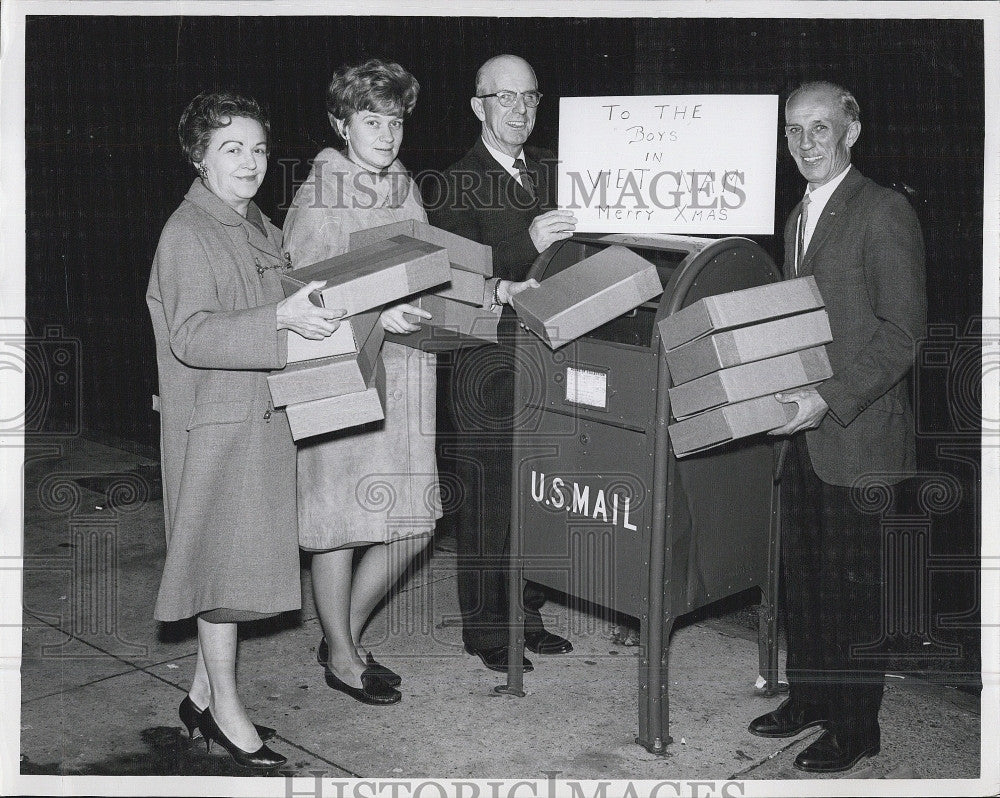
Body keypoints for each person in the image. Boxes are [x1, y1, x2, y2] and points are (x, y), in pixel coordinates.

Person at [147, 91, 341, 770]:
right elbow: (192, 334)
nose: (250, 162)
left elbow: (283, 296)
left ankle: (201, 696)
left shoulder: (255, 223)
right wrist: (281, 322)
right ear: (199, 156)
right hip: (217, 426)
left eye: (259, 149)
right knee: (220, 573)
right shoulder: (187, 232)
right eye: (232, 148)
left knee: (234, 562)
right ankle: (227, 710)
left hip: (260, 416)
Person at [749, 81, 927, 773]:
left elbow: (902, 332)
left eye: (820, 127)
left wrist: (828, 398)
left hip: (860, 435)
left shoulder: (882, 212)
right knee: (808, 577)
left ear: (852, 130)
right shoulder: (797, 215)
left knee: (854, 592)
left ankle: (857, 729)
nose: (806, 142)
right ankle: (812, 698)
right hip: (804, 435)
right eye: (794, 130)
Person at [283, 59, 439, 705]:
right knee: (339, 525)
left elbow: (430, 267)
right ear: (340, 123)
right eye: (371, 120)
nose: (386, 134)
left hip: (405, 374)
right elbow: (295, 299)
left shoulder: (403, 185)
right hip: (341, 377)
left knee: (414, 522)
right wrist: (377, 311)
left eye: (395, 120)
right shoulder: (319, 194)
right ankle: (344, 657)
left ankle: (339, 632)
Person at [428, 55, 577, 673]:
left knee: (539, 488)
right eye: (504, 98)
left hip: (551, 355)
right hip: (482, 363)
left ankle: (528, 610)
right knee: (489, 495)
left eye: (530, 97)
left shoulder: (557, 169)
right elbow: (456, 278)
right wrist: (526, 246)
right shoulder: (453, 183)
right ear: (478, 106)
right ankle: (487, 628)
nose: (519, 110)